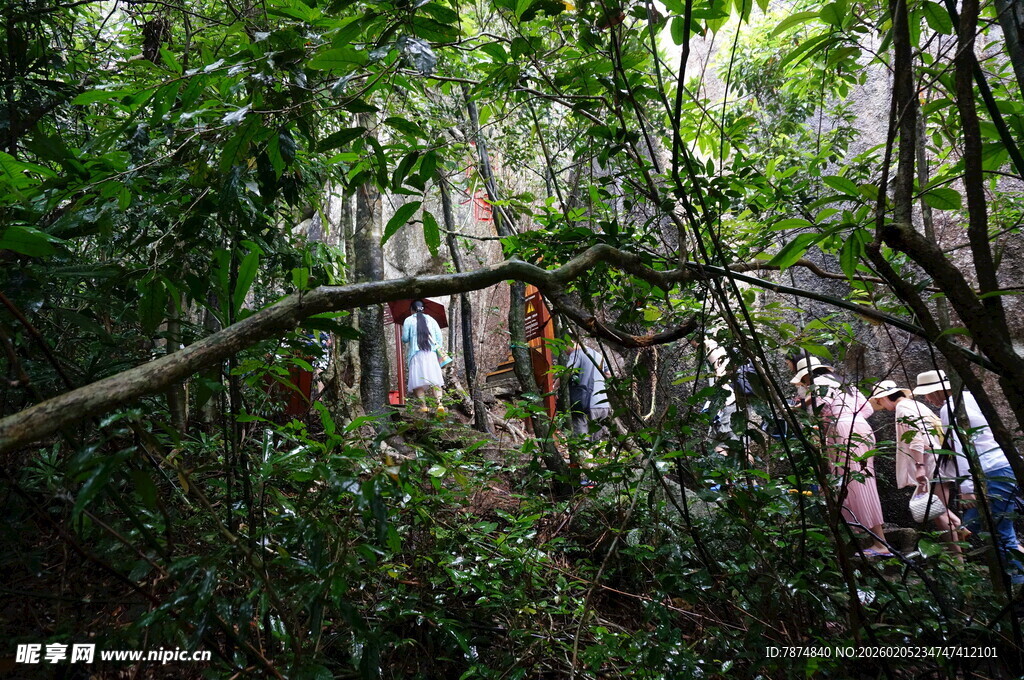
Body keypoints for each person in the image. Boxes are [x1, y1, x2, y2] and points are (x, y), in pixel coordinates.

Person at [913, 369, 1023, 573]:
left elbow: (961, 446)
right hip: (1005, 465)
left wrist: (966, 486)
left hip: (990, 470)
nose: (927, 399)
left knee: (1000, 533)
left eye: (927, 394)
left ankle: (1015, 583)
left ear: (937, 391)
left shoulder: (950, 408)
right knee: (978, 525)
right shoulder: (969, 397)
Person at [791, 357, 890, 557]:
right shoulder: (845, 383)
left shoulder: (818, 385)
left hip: (842, 430)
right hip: (862, 427)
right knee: (864, 481)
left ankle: (879, 542)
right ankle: (869, 535)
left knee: (848, 483)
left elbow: (819, 415)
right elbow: (868, 409)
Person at [869, 380, 962, 555]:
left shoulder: (903, 409)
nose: (881, 405)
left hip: (930, 462)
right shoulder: (915, 405)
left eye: (879, 401)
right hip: (939, 458)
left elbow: (917, 438)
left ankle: (958, 559)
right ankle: (959, 533)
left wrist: (919, 467)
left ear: (884, 397)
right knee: (940, 510)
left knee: (938, 514)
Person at [402, 300, 445, 415]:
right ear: (424, 309)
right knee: (435, 381)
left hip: (416, 355)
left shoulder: (409, 320)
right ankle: (439, 404)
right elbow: (439, 338)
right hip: (430, 354)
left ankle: (424, 406)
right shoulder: (432, 320)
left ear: (412, 310)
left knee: (417, 381)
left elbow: (405, 338)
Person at [565, 339, 611, 441]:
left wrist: (555, 386)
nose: (565, 352)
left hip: (586, 404)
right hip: (603, 404)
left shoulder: (577, 354)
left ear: (571, 343)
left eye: (564, 349)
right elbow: (608, 375)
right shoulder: (599, 356)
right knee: (598, 443)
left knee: (582, 441)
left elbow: (567, 372)